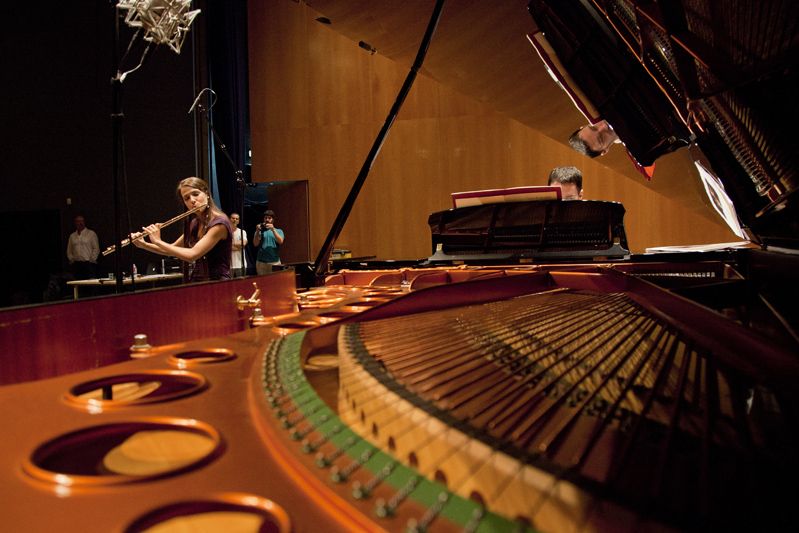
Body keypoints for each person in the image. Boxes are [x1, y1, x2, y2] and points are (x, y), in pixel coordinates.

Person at [133, 177, 232, 282]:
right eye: (186, 198)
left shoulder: (219, 223)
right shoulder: (195, 223)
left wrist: (158, 241)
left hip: (218, 284)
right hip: (197, 282)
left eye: (195, 194)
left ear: (207, 193)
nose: (192, 200)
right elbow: (171, 250)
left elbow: (192, 255)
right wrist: (144, 245)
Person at [66, 214, 99, 279]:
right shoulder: (72, 236)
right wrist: (72, 259)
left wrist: (91, 260)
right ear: (75, 223)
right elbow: (69, 250)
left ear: (84, 222)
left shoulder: (91, 234)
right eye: (78, 221)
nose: (80, 223)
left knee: (90, 285)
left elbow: (96, 248)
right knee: (78, 284)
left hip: (88, 264)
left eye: (81, 221)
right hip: (77, 264)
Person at [253, 210, 284, 274]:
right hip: (261, 263)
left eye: (269, 218)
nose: (267, 219)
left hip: (275, 262)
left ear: (273, 220)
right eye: (265, 218)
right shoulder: (260, 231)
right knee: (262, 283)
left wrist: (273, 230)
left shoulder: (279, 231)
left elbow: (280, 241)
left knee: (276, 282)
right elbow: (255, 244)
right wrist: (257, 231)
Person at [229, 212, 248, 277]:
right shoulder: (226, 232)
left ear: (239, 221)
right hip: (229, 266)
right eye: (233, 218)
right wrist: (238, 245)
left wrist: (230, 243)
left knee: (241, 286)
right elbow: (226, 247)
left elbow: (243, 243)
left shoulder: (242, 232)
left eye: (237, 219)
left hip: (241, 265)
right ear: (229, 219)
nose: (235, 220)